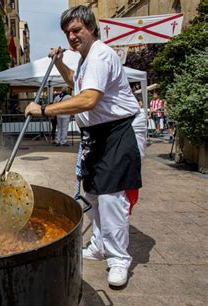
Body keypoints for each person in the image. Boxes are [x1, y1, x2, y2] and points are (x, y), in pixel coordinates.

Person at [25, 6, 146, 287]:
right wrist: (58, 64)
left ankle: (118, 258)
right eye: (68, 32)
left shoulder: (101, 55)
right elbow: (75, 84)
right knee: (92, 191)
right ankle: (101, 246)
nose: (72, 36)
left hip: (120, 129)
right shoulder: (84, 60)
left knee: (111, 195)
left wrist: (44, 110)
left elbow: (88, 99)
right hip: (97, 132)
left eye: (77, 30)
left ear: (91, 28)